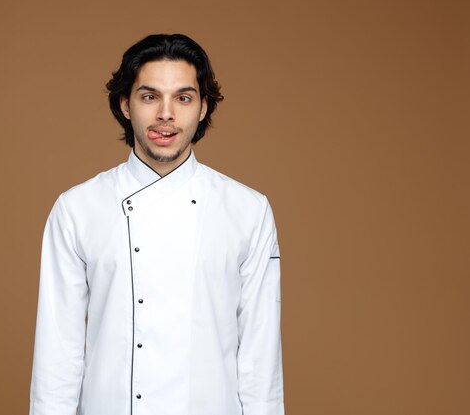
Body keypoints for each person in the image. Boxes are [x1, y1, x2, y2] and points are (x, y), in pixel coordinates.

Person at [29, 33, 285, 415]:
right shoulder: (77, 209)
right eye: (150, 97)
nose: (166, 114)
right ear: (125, 105)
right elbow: (58, 355)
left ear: (202, 108)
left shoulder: (247, 211)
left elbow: (260, 361)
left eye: (183, 98)